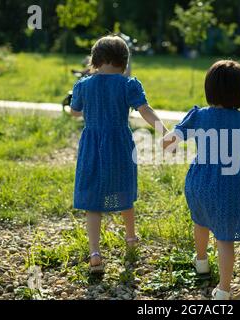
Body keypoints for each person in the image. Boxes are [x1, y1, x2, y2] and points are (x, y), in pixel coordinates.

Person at [162, 60, 240, 300]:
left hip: (201, 181)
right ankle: (224, 290)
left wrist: (168, 144)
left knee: (201, 221)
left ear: (209, 89)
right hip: (231, 184)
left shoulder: (198, 116)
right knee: (225, 237)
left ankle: (201, 262)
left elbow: (170, 139)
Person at [69, 35, 168, 273]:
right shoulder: (129, 85)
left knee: (93, 200)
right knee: (124, 191)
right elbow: (145, 110)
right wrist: (163, 130)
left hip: (92, 146)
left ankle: (95, 254)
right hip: (120, 145)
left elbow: (74, 112)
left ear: (95, 60)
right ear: (124, 61)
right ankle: (131, 240)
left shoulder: (83, 85)